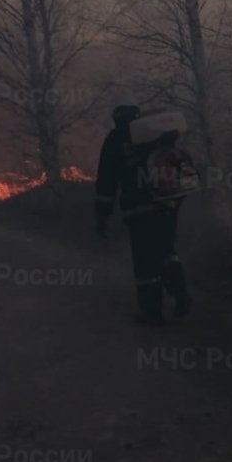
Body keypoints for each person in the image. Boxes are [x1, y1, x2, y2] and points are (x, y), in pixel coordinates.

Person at [95, 105, 193, 325]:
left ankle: (152, 312)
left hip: (138, 208)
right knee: (167, 250)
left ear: (116, 117)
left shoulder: (115, 139)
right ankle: (181, 293)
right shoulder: (151, 134)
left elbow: (106, 181)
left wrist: (102, 216)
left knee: (145, 263)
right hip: (167, 202)